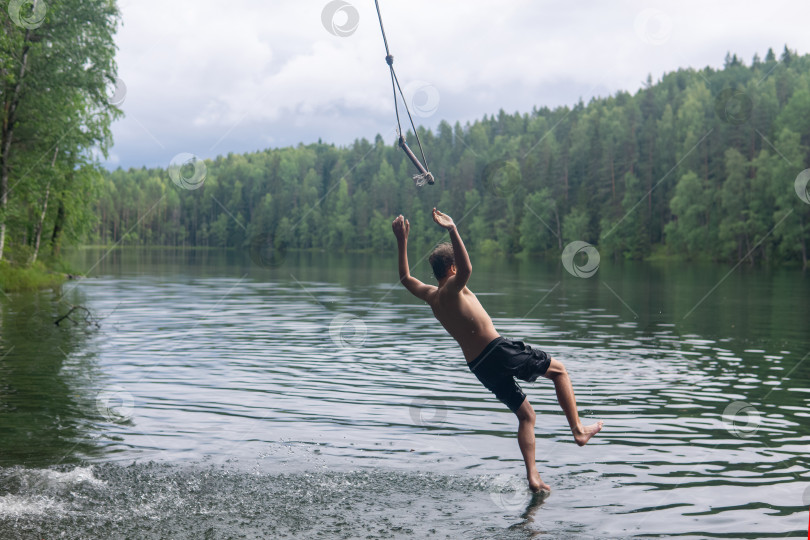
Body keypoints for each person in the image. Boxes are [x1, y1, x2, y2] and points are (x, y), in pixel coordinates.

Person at [391, 208, 603, 494]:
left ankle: (533, 477)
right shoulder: (453, 287)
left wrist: (401, 240)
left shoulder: (432, 297)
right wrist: (453, 229)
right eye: (456, 268)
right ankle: (577, 429)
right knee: (559, 370)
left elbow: (405, 278)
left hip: (479, 366)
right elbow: (467, 270)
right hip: (497, 350)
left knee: (526, 415)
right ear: (451, 270)